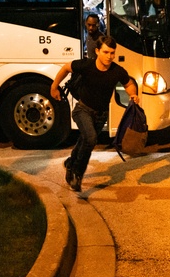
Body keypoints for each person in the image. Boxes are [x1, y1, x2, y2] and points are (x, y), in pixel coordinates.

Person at [50, 35, 140, 192]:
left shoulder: (117, 71)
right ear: (97, 51)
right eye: (106, 52)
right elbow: (66, 67)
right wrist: (54, 86)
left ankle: (71, 162)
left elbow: (128, 83)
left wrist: (133, 94)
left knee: (85, 139)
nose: (109, 56)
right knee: (91, 139)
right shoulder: (87, 65)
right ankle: (77, 174)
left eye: (112, 53)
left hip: (101, 115)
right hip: (82, 110)